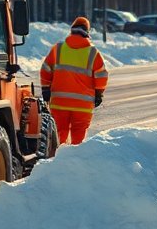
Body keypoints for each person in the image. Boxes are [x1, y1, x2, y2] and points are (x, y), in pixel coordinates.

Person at [40, 16, 108, 145]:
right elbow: (101, 75)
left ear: (72, 31)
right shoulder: (93, 53)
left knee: (60, 135)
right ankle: (75, 159)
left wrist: (45, 88)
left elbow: (45, 70)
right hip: (82, 105)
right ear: (87, 33)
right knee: (78, 136)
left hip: (59, 103)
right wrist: (99, 94)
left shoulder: (58, 49)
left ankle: (58, 161)